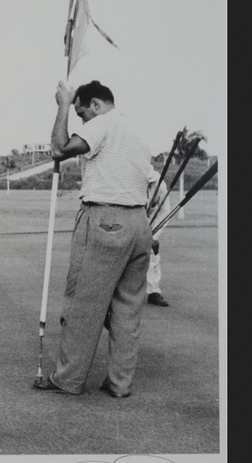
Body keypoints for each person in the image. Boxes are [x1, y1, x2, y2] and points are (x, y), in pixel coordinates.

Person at [34, 80, 152, 399]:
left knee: (83, 306)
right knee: (127, 310)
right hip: (139, 223)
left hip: (105, 220)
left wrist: (62, 105)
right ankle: (119, 383)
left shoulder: (101, 123)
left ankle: (68, 379)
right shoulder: (135, 131)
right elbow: (151, 184)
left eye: (81, 113)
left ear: (96, 105)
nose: (82, 121)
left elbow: (59, 150)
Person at [146, 166, 171, 307]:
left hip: (151, 222)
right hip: (131, 219)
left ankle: (153, 291)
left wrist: (153, 234)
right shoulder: (130, 179)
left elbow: (164, 211)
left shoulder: (160, 184)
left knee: (153, 254)